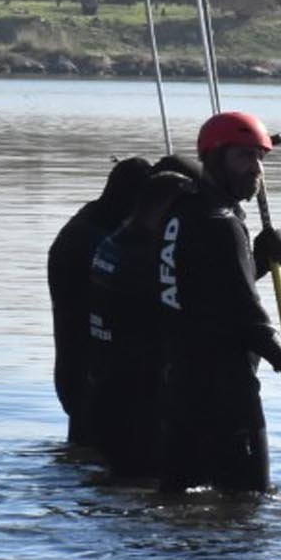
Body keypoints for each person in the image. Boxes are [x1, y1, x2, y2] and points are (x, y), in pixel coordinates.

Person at [154, 109, 281, 495]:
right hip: (227, 396)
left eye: (260, 158)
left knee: (178, 503)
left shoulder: (181, 212)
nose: (256, 169)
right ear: (214, 158)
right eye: (244, 157)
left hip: (181, 388)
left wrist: (256, 261)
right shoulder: (222, 223)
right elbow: (248, 318)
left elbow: (207, 290)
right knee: (247, 507)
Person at [83, 153, 203, 479]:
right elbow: (198, 308)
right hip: (139, 407)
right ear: (165, 212)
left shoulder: (114, 243)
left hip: (109, 397)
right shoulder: (145, 260)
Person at [48, 156, 154, 448]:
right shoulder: (95, 243)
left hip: (82, 374)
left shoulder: (89, 226)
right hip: (91, 377)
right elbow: (153, 291)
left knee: (88, 464)